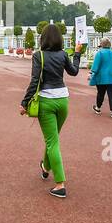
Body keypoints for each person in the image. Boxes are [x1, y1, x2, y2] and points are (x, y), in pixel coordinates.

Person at [19, 24, 84, 199]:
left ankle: (60, 184)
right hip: (63, 100)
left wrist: (24, 103)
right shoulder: (63, 54)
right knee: (53, 139)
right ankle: (45, 167)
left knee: (52, 142)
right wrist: (77, 53)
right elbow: (74, 72)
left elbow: (34, 81)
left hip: (46, 101)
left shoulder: (38, 55)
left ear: (43, 39)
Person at [88, 38, 112, 118]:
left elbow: (95, 66)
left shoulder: (99, 53)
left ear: (102, 45)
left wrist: (91, 73)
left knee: (100, 93)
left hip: (102, 76)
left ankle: (98, 108)